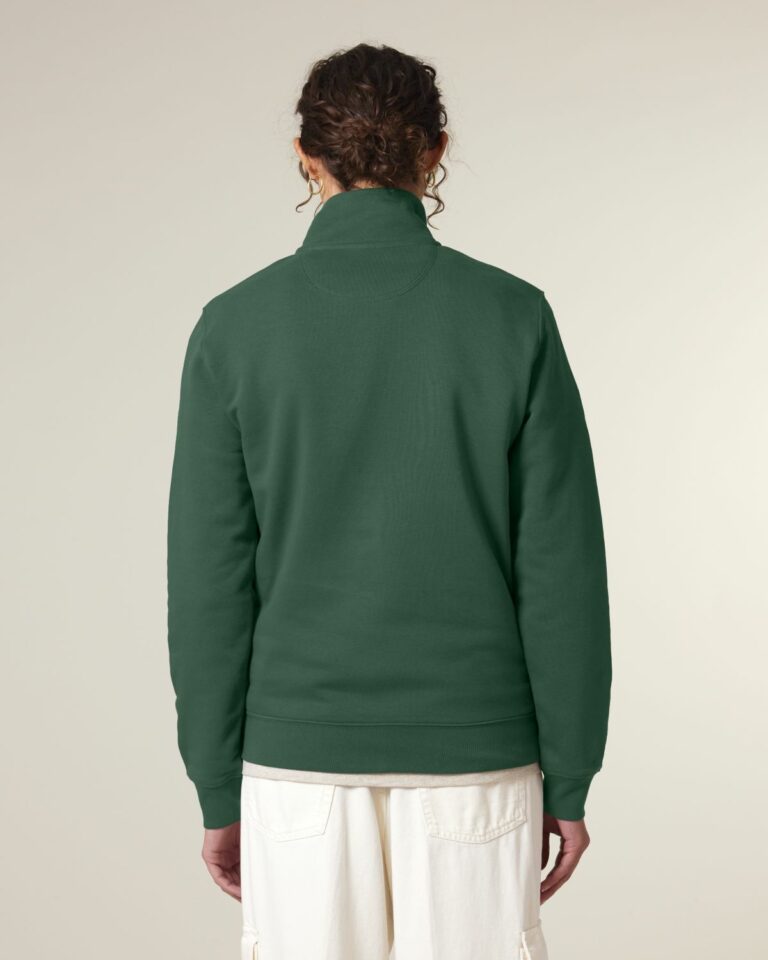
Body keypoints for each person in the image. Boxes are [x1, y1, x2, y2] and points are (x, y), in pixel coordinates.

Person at [166, 42, 611, 960]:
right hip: (477, 763)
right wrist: (568, 778)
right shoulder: (513, 316)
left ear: (306, 155)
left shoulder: (233, 327)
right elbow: (561, 570)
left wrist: (217, 785)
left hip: (297, 769)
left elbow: (208, 584)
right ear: (434, 151)